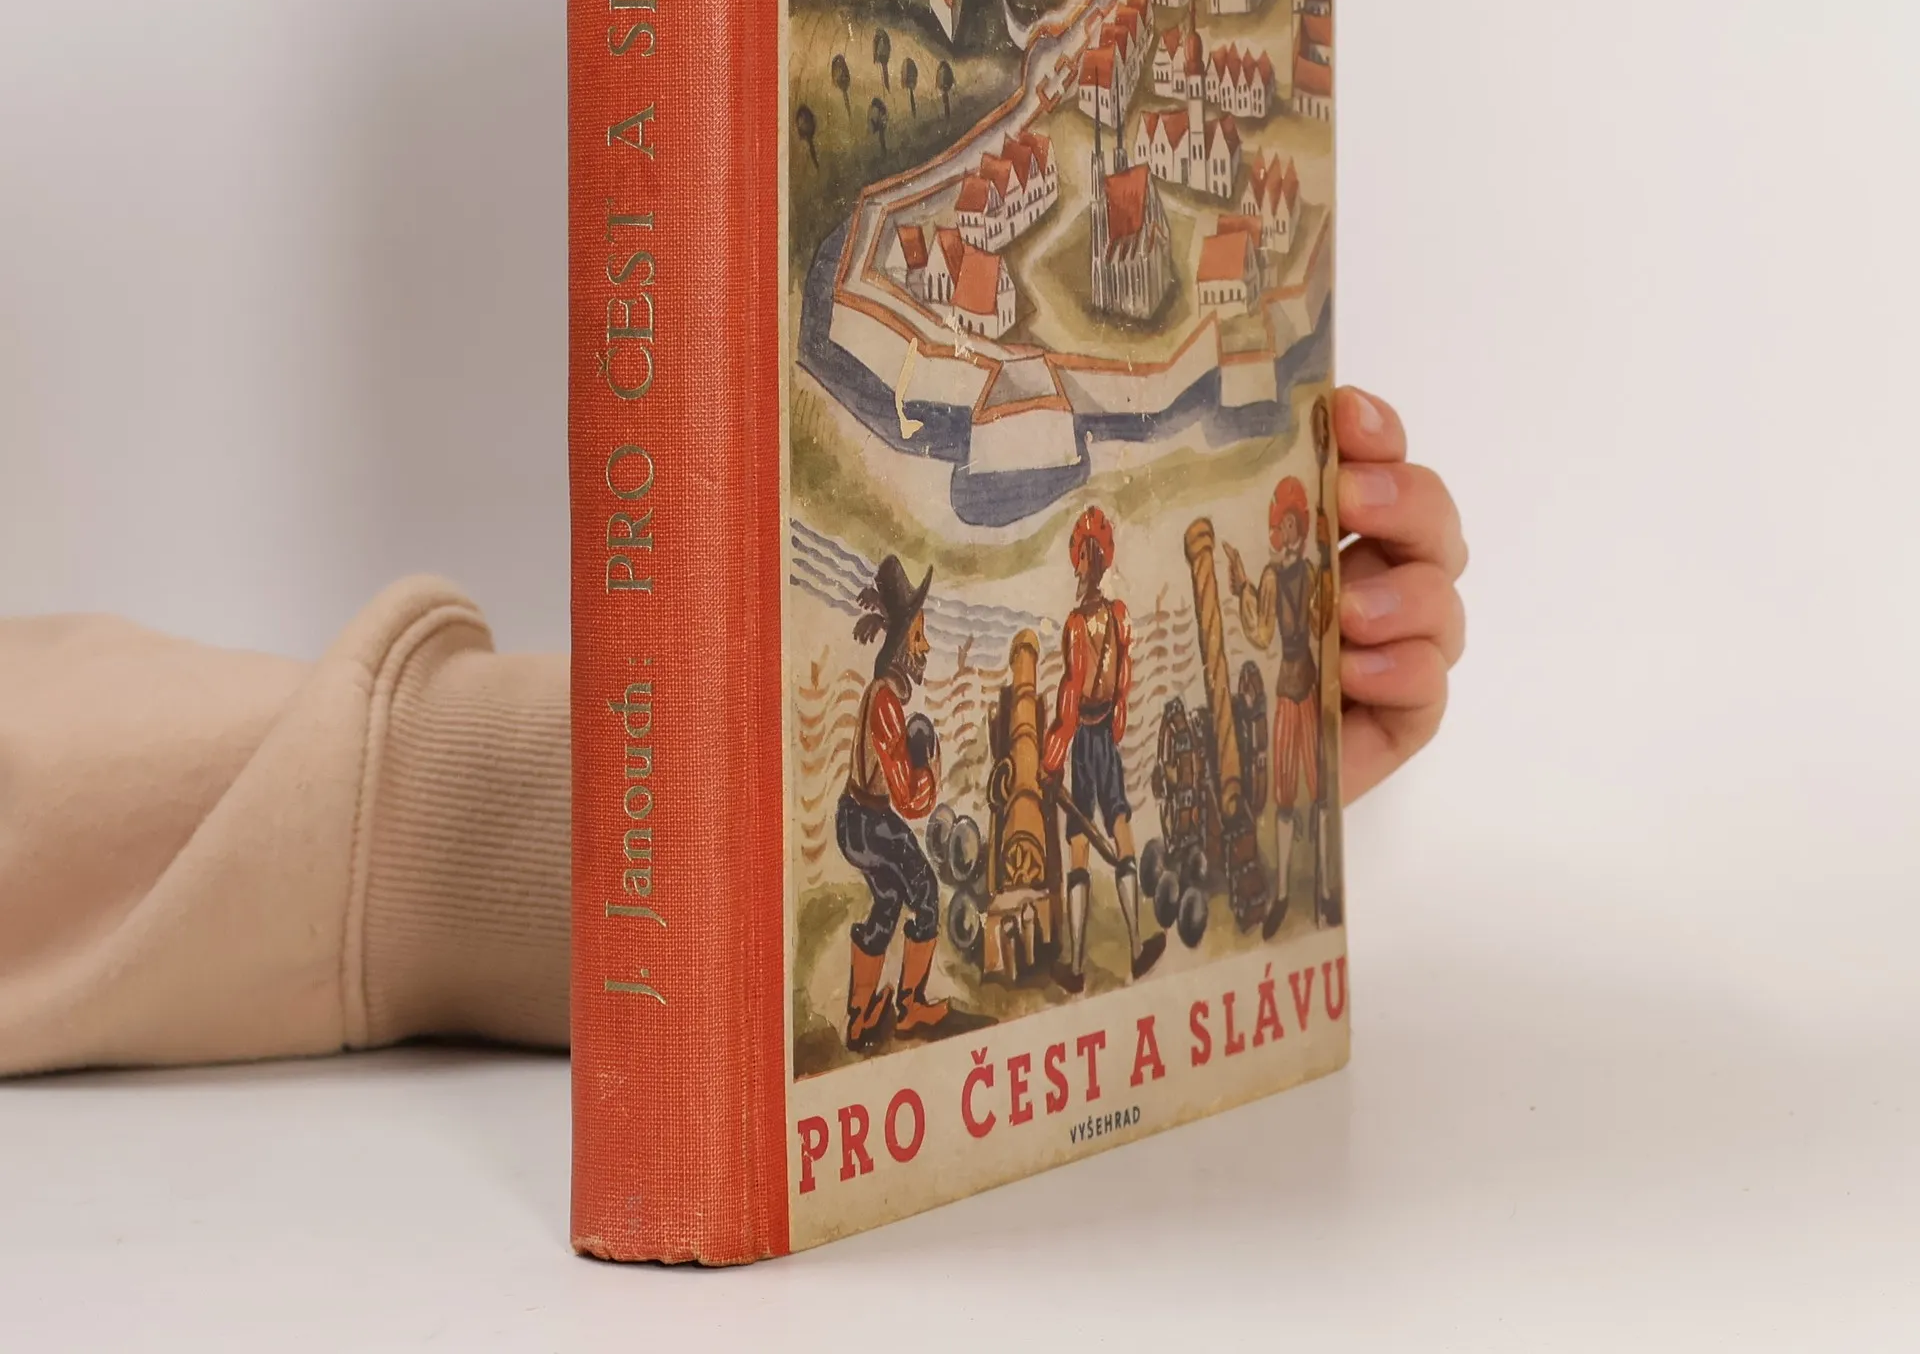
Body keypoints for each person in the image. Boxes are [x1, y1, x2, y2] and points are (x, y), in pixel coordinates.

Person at [0, 385, 1465, 1078]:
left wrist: (647, 817)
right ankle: (904, 990)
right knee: (917, 886)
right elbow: (897, 776)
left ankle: (970, 966)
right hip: (891, 814)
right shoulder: (900, 696)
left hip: (933, 795)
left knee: (982, 872)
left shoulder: (1020, 655)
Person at [1042, 505, 1164, 992]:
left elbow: (1071, 694)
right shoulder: (1118, 617)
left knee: (1080, 840)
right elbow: (1123, 678)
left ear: (1083, 564)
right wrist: (1117, 721)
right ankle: (1135, 948)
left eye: (1083, 559)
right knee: (1119, 827)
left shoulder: (1077, 625)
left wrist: (1051, 758)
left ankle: (1076, 967)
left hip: (1083, 740)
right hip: (1104, 740)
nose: (1083, 567)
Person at [837, 554, 951, 1047]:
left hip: (856, 819)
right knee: (924, 890)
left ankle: (861, 1014)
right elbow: (909, 800)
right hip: (870, 822)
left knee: (888, 899)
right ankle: (910, 1006)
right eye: (919, 637)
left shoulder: (883, 695)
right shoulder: (885, 702)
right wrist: (931, 772)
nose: (925, 647)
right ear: (903, 643)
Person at [1225, 476, 1336, 938]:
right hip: (1288, 691)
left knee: (1322, 791)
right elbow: (1262, 631)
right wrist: (1242, 588)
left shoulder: (1308, 572)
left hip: (1309, 684)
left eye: (1294, 524)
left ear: (1301, 527)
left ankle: (1326, 889)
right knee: (1285, 796)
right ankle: (1285, 895)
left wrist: (1327, 564)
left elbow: (1321, 619)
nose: (1289, 532)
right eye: (1283, 525)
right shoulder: (1272, 577)